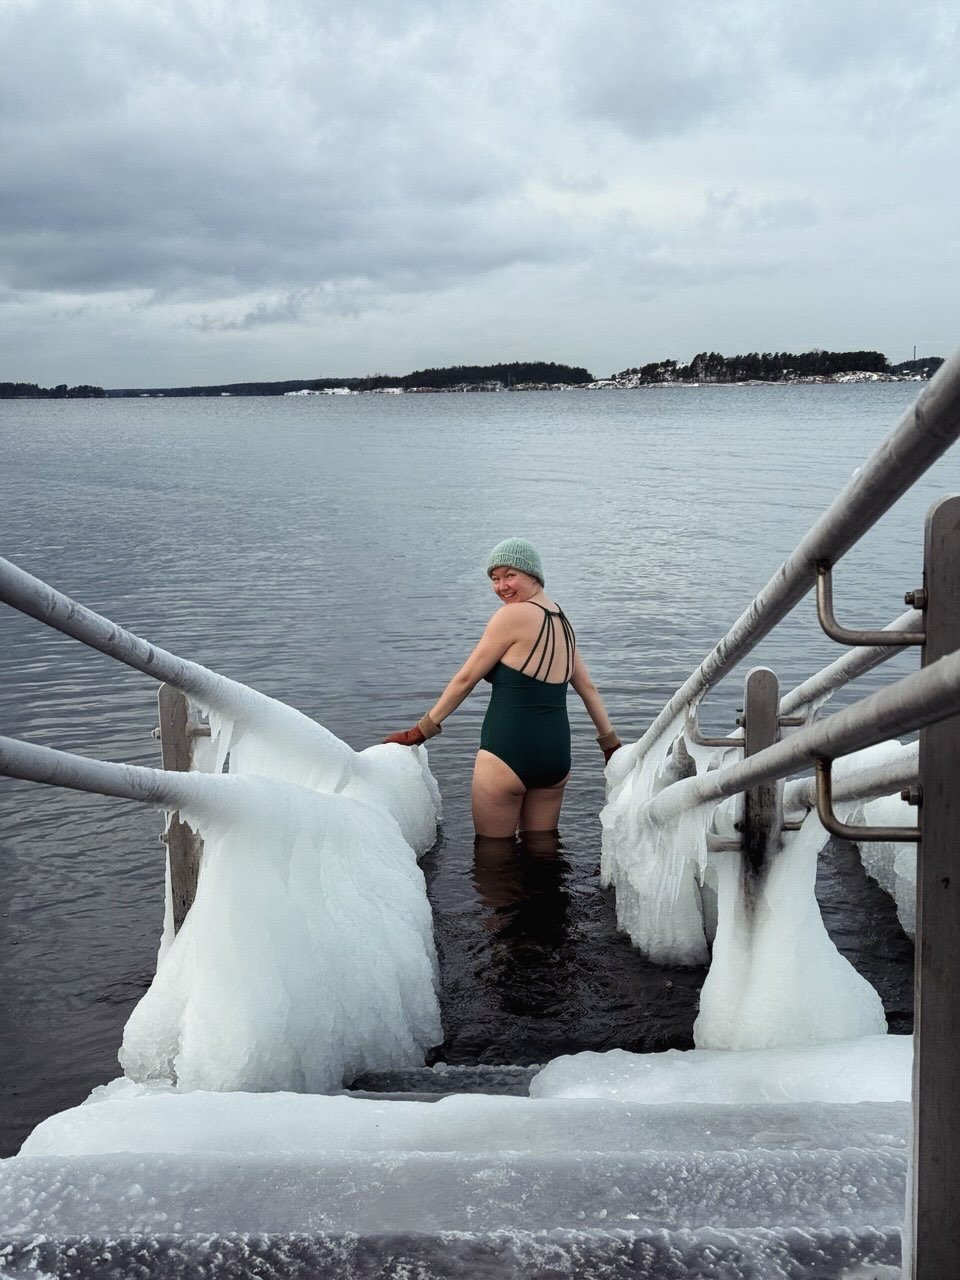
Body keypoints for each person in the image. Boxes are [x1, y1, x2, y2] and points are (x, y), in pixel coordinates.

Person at [384, 538, 621, 838]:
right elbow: (587, 687)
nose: (501, 587)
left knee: (492, 859)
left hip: (506, 752)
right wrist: (610, 745)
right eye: (495, 579)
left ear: (534, 575)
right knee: (543, 855)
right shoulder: (563, 621)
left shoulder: (511, 616)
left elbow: (466, 678)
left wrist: (420, 731)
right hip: (556, 757)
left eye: (510, 575)